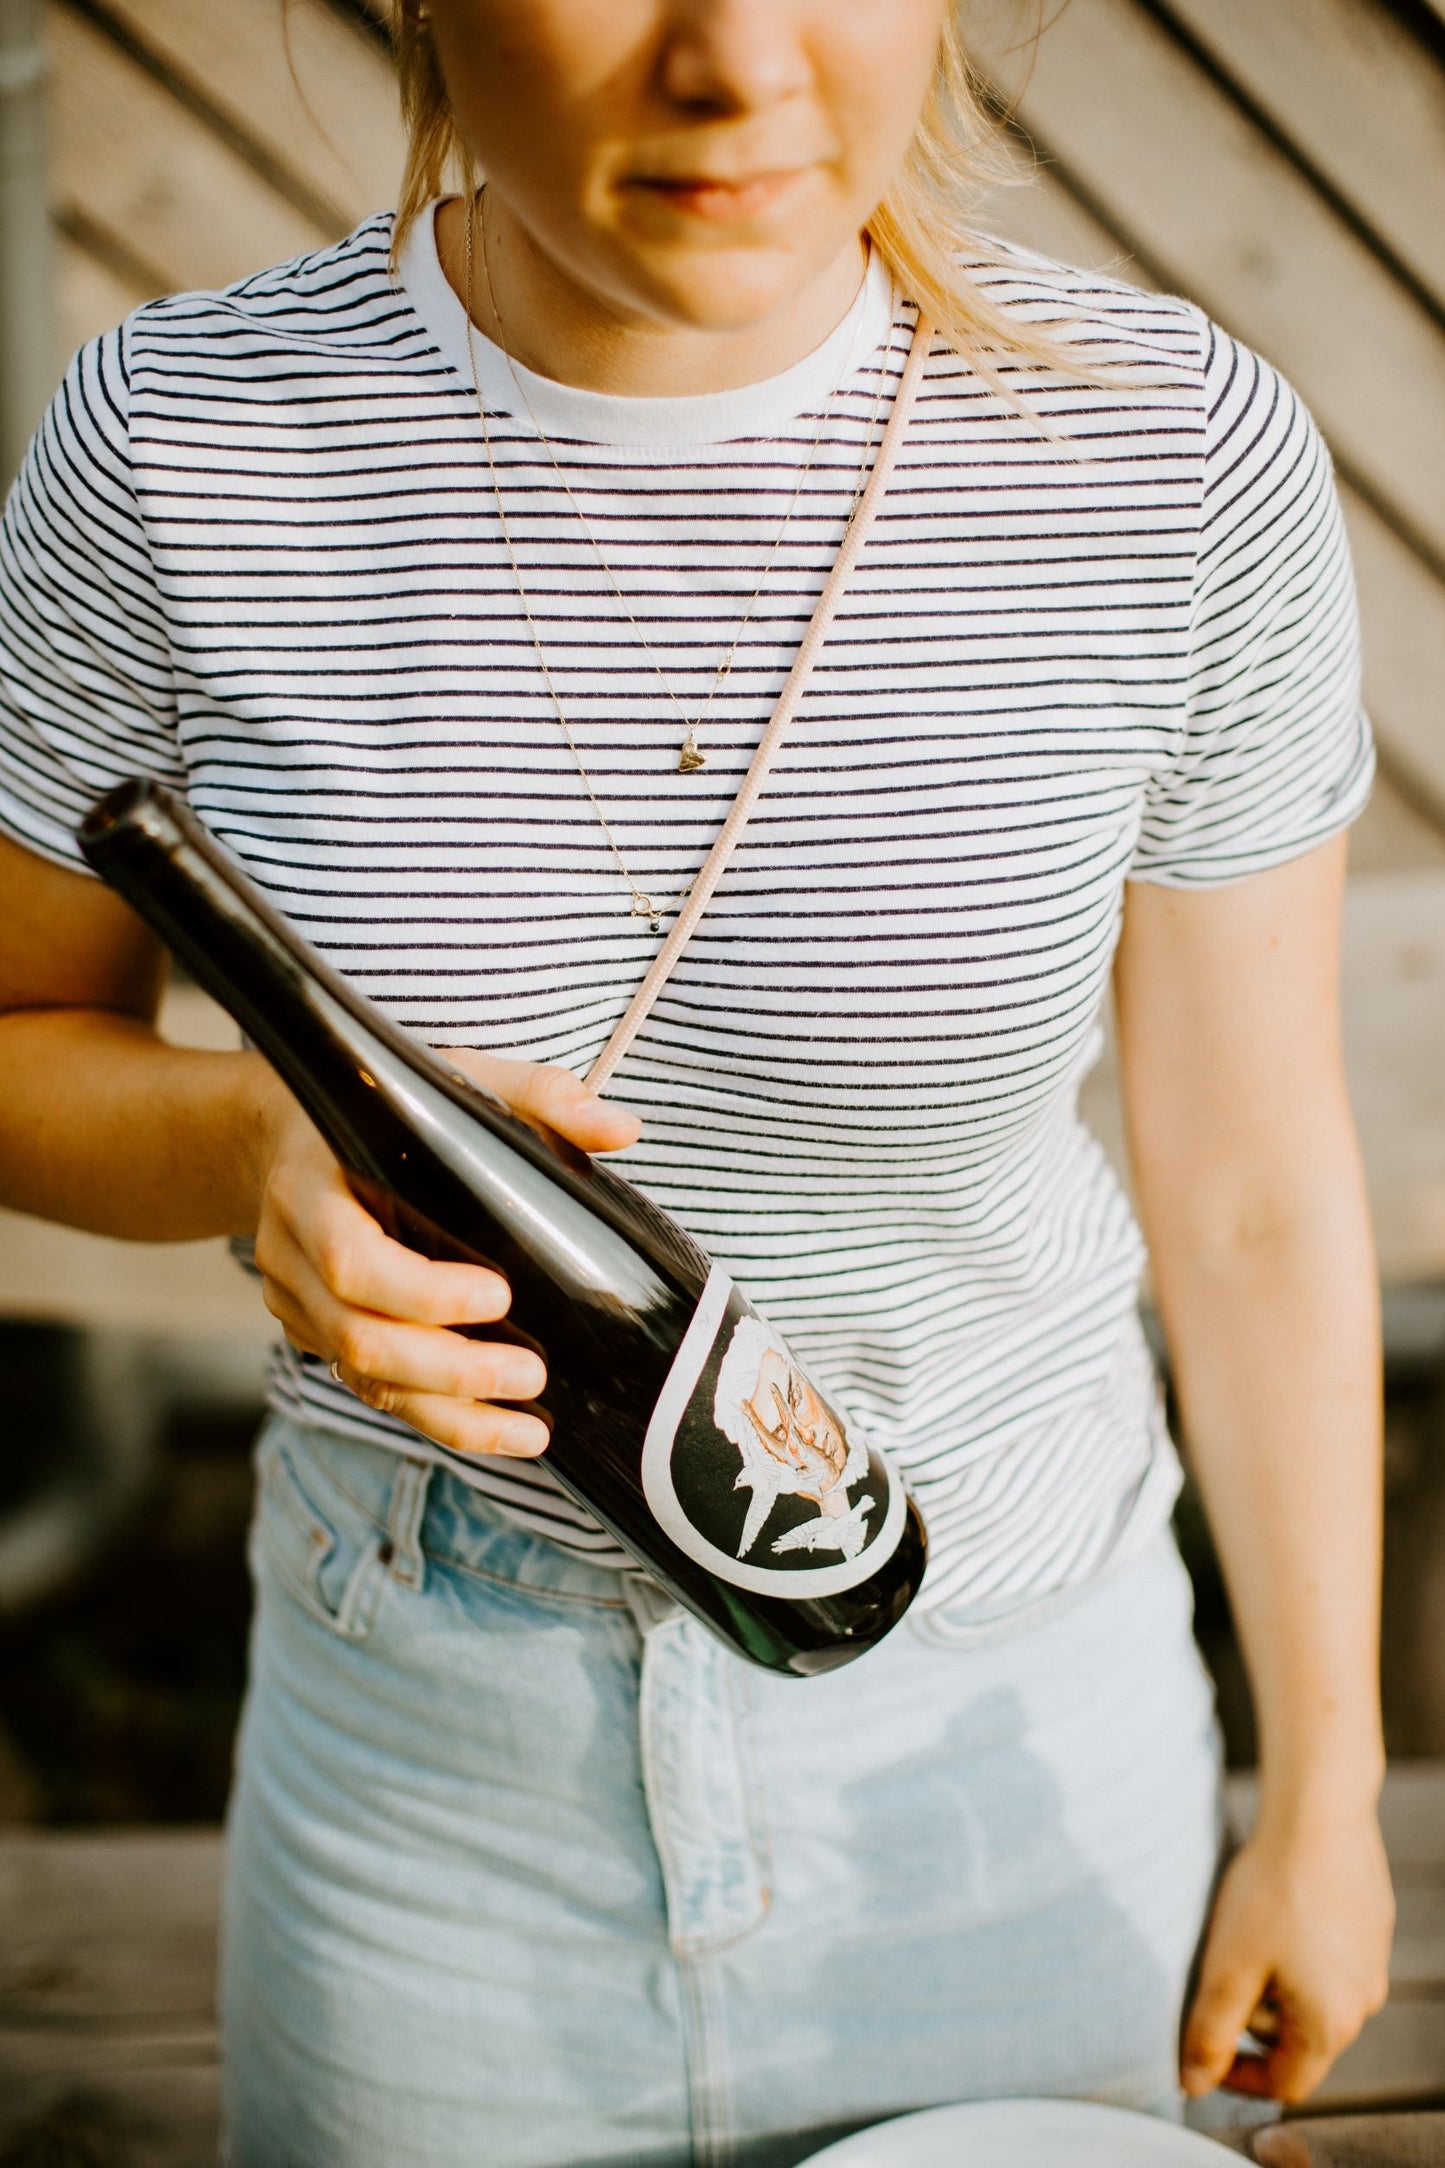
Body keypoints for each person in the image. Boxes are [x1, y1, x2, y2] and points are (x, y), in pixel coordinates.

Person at [0, 1, 1395, 2162]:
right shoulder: (182, 442)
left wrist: (1324, 1793)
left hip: (1006, 1762)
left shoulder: (1170, 457)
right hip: (431, 1782)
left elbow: (1255, 1195)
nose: (736, 61)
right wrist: (243, 1139)